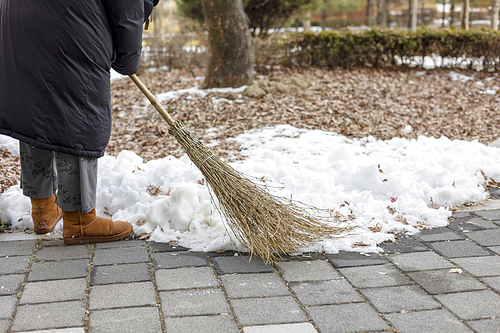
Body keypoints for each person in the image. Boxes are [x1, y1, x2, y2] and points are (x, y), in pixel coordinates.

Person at [0, 0, 158, 244]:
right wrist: (128, 59)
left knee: (36, 107)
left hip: (19, 18)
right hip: (70, 23)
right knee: (78, 111)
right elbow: (127, 6)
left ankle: (43, 210)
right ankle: (80, 220)